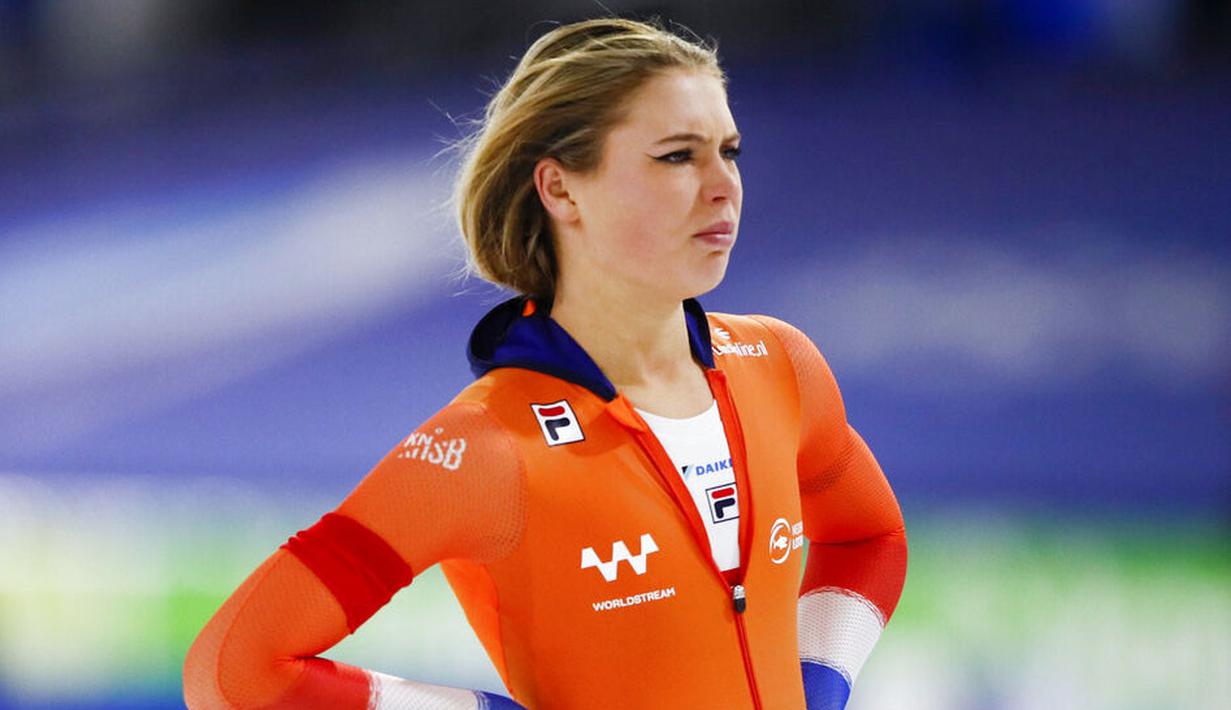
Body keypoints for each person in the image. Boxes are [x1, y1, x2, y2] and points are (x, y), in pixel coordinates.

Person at [183, 17, 907, 710]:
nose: (724, 186)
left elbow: (868, 537)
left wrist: (816, 684)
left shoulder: (778, 364)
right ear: (560, 189)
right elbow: (234, 672)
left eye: (730, 151)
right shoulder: (484, 450)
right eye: (678, 156)